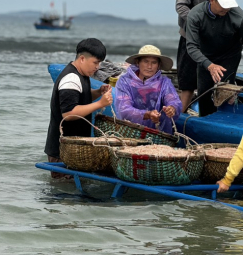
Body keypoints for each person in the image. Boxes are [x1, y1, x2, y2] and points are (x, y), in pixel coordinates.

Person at [175, 0, 232, 113]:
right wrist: (198, 22)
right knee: (187, 84)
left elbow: (227, 7)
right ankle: (179, 119)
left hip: (213, 41)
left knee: (211, 83)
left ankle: (207, 118)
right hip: (191, 37)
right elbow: (180, 6)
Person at [44, 38, 113, 178]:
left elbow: (80, 98)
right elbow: (69, 113)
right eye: (95, 62)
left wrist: (98, 92)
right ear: (82, 59)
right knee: (64, 192)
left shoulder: (81, 74)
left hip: (72, 148)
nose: (97, 67)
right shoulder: (71, 78)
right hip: (63, 149)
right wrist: (100, 104)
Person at [114, 45, 182, 133]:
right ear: (138, 62)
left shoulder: (164, 82)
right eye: (146, 61)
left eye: (154, 63)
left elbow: (173, 99)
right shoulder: (125, 81)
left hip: (159, 133)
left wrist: (172, 108)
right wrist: (147, 114)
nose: (149, 66)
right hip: (129, 131)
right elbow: (124, 109)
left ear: (158, 65)